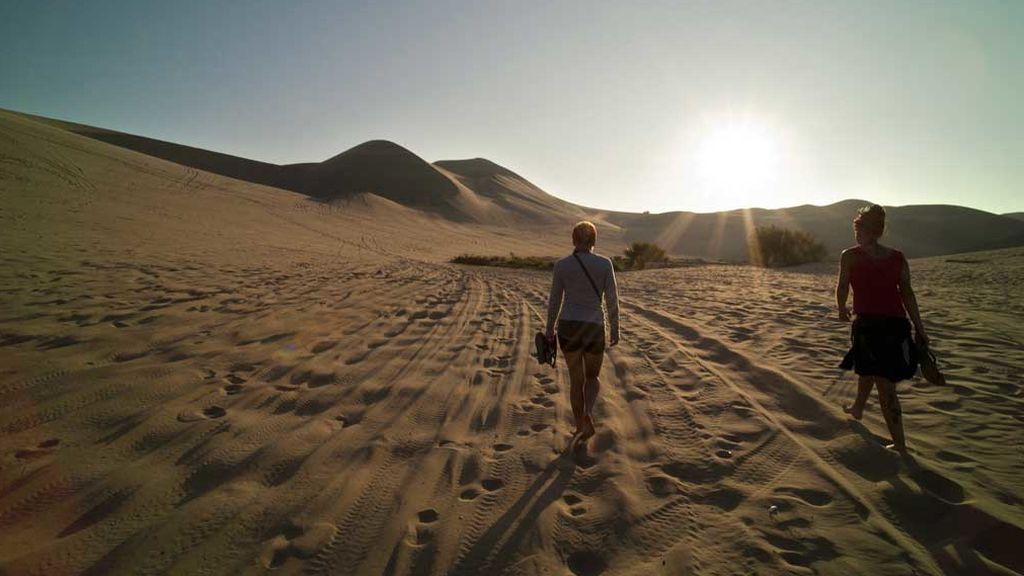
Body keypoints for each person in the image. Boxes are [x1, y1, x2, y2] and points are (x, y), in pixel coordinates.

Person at [835, 204, 929, 454]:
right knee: (867, 369)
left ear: (869, 230)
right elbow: (907, 293)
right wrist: (919, 328)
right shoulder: (897, 257)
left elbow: (843, 285)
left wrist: (841, 307)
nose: (856, 231)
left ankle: (900, 445)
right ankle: (858, 408)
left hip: (874, 328)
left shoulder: (850, 256)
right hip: (893, 326)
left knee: (884, 384)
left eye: (859, 227)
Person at [546, 221, 620, 445]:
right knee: (592, 377)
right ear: (594, 241)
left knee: (576, 380)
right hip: (593, 327)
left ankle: (579, 423)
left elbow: (555, 299)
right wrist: (615, 327)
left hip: (568, 327)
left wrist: (549, 328)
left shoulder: (562, 265)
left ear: (573, 240)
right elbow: (612, 299)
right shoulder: (605, 264)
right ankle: (588, 410)